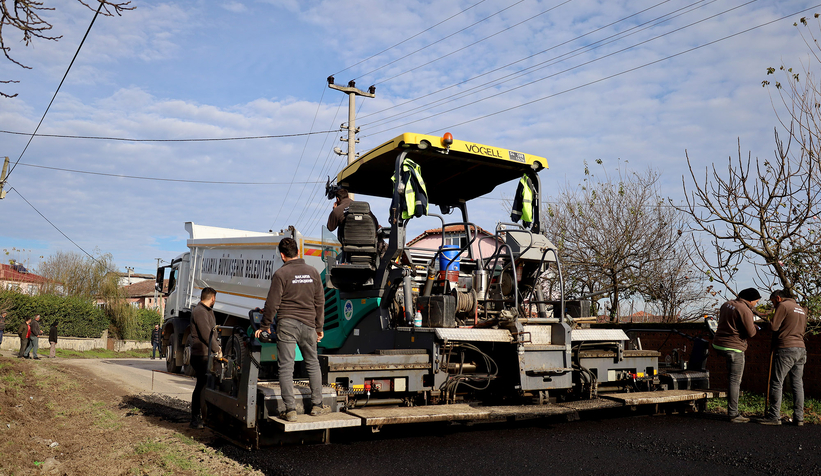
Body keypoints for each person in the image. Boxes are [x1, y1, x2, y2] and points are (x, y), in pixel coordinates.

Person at [255, 238, 327, 422]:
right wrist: (319, 327)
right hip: (309, 324)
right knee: (312, 363)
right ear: (298, 251)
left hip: (287, 324)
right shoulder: (313, 272)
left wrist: (264, 327)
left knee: (286, 367)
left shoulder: (281, 274)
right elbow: (320, 302)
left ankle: (291, 410)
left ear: (282, 255)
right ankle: (317, 405)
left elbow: (272, 304)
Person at [759, 289, 807, 426]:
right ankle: (799, 417)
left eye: (773, 302)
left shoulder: (783, 306)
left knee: (777, 382)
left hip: (786, 348)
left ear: (778, 298)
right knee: (797, 384)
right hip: (801, 348)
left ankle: (774, 416)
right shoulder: (801, 309)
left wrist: (769, 321)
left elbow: (774, 327)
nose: (773, 305)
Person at [712, 288, 760, 423]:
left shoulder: (726, 304)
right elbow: (751, 333)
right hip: (734, 347)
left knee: (730, 376)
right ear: (750, 300)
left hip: (718, 344)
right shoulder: (745, 310)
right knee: (734, 380)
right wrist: (754, 327)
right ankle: (733, 414)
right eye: (756, 301)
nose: (756, 304)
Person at [189, 287, 221, 429]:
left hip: (206, 353)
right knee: (202, 386)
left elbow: (212, 333)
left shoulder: (207, 311)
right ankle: (196, 419)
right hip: (201, 354)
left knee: (206, 385)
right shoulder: (200, 312)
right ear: (212, 297)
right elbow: (205, 334)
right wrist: (217, 349)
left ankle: (204, 417)